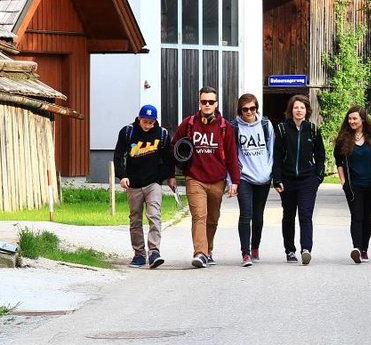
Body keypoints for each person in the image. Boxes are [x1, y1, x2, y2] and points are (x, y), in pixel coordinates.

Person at [173, 87, 241, 268]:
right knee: (199, 216)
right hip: (195, 178)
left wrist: (235, 181)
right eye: (204, 102)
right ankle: (200, 253)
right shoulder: (188, 124)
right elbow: (173, 147)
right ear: (199, 103)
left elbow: (232, 156)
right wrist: (171, 174)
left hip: (217, 180)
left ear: (216, 104)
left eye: (211, 102)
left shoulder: (225, 127)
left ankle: (208, 250)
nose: (207, 105)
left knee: (212, 219)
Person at [113, 104, 176, 268]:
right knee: (135, 219)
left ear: (155, 121)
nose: (148, 125)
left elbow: (168, 158)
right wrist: (122, 176)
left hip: (153, 182)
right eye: (145, 121)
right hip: (133, 183)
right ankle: (139, 254)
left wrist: (168, 177)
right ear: (139, 118)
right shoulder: (128, 132)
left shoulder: (162, 134)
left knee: (154, 215)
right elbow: (118, 155)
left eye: (151, 122)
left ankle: (154, 252)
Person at [272, 94, 325, 265]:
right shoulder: (282, 129)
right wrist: (277, 178)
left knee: (305, 215)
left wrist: (318, 176)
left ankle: (306, 250)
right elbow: (277, 156)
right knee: (288, 216)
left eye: (302, 107)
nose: (299, 110)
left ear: (307, 110)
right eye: (296, 107)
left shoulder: (313, 130)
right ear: (291, 110)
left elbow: (320, 155)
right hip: (287, 180)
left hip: (308, 180)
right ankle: (290, 250)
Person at [334, 106, 371, 264]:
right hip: (353, 186)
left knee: (367, 218)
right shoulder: (343, 140)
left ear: (362, 119)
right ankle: (356, 249)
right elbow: (339, 163)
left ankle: (364, 249)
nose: (351, 121)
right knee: (357, 216)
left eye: (355, 118)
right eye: (349, 119)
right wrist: (343, 182)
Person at [233, 93, 274, 267]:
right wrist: (232, 180)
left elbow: (272, 149)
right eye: (245, 109)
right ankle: (245, 253)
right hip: (244, 177)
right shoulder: (234, 127)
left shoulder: (265, 124)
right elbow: (231, 155)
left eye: (252, 108)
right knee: (245, 214)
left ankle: (255, 247)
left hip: (263, 177)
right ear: (240, 110)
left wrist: (270, 172)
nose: (249, 112)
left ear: (257, 108)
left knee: (258, 216)